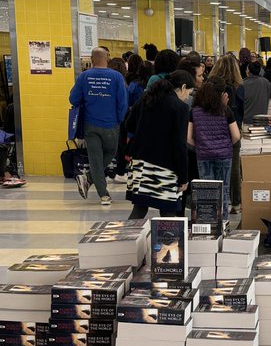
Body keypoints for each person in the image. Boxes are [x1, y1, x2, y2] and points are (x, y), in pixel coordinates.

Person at [125, 70, 195, 219]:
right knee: (168, 212)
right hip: (165, 167)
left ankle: (127, 239)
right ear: (183, 87)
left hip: (140, 163)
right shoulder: (180, 108)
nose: (188, 96)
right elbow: (180, 145)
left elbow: (129, 125)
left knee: (139, 209)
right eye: (189, 91)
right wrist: (183, 178)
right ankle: (168, 243)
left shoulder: (146, 98)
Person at [69, 46, 128, 206]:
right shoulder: (116, 77)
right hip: (111, 124)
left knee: (95, 158)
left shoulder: (84, 77)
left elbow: (73, 99)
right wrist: (119, 119)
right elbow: (123, 102)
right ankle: (104, 194)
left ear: (92, 59)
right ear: (107, 58)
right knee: (110, 153)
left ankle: (88, 178)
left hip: (90, 124)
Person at [188, 78, 240, 219]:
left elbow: (188, 138)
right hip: (224, 155)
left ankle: (209, 224)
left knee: (207, 191)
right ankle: (223, 224)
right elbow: (236, 135)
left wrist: (199, 146)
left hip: (203, 156)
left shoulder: (195, 111)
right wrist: (227, 144)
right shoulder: (225, 110)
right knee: (223, 190)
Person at [209, 53, 244, 210]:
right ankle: (236, 201)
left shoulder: (210, 86)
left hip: (211, 130)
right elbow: (240, 111)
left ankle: (214, 201)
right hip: (232, 128)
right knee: (234, 167)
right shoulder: (237, 88)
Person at [241, 58, 271, 124]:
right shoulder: (265, 82)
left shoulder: (243, 84)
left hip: (246, 120)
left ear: (248, 72)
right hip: (262, 120)